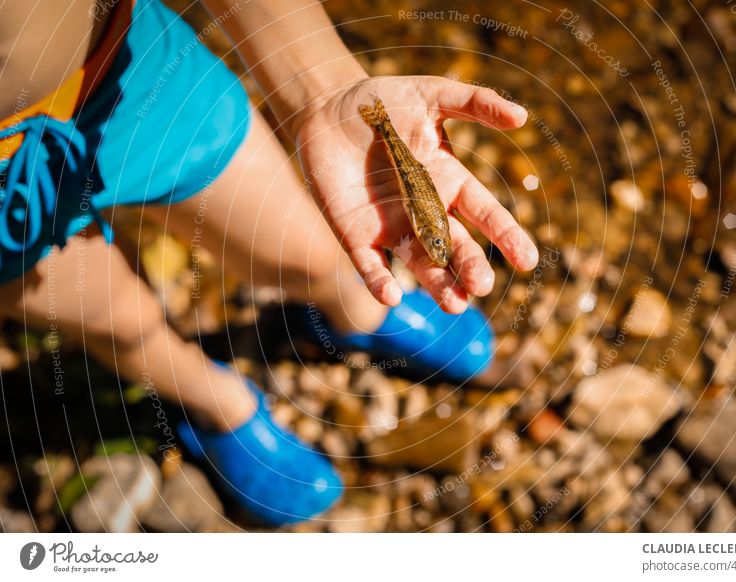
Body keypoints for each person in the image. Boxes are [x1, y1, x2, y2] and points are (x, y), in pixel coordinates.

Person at [0, 0, 538, 526]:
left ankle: (355, 311)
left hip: (128, 67)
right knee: (119, 320)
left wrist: (324, 87)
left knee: (306, 249)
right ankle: (218, 403)